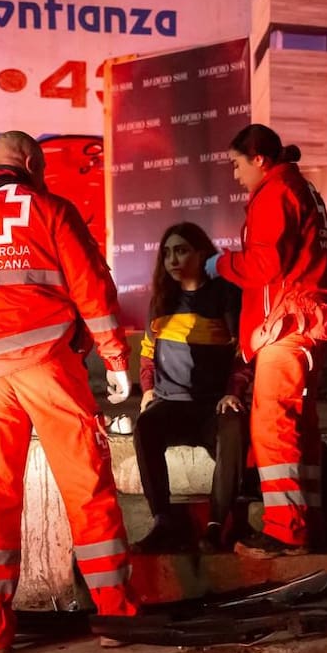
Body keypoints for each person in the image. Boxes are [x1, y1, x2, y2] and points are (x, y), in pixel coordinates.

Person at [0, 131, 138, 653]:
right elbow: (93, 290)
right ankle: (114, 619)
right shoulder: (51, 207)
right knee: (86, 490)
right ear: (33, 164)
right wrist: (114, 360)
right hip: (49, 369)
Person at [210, 124, 327, 559]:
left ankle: (286, 534)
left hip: (286, 323)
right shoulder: (301, 190)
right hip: (308, 320)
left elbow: (264, 264)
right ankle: (308, 528)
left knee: (272, 425)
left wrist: (220, 264)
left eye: (236, 164)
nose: (235, 175)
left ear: (258, 160)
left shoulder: (275, 192)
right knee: (299, 428)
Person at [130, 222, 250, 555]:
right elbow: (147, 355)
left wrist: (233, 392)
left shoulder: (226, 296)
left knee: (233, 425)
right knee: (146, 426)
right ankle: (164, 522)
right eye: (167, 253)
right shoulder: (162, 301)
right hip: (173, 404)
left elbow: (244, 353)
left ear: (202, 254)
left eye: (181, 250)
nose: (173, 259)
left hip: (214, 404)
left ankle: (215, 527)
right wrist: (149, 391)